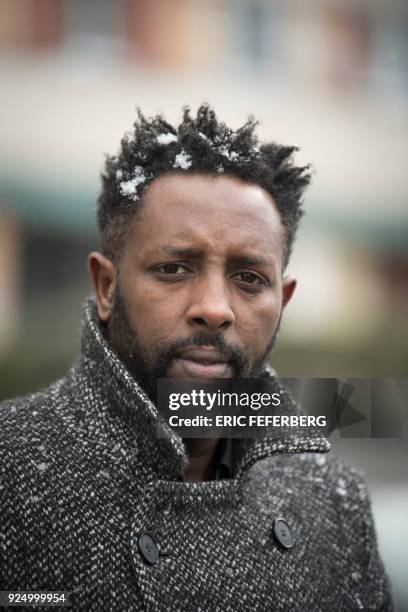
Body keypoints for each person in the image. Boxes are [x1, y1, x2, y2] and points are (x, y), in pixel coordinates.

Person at [0, 105, 392, 610]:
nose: (214, 308)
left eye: (249, 277)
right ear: (106, 285)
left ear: (283, 302)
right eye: (173, 268)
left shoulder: (335, 501)